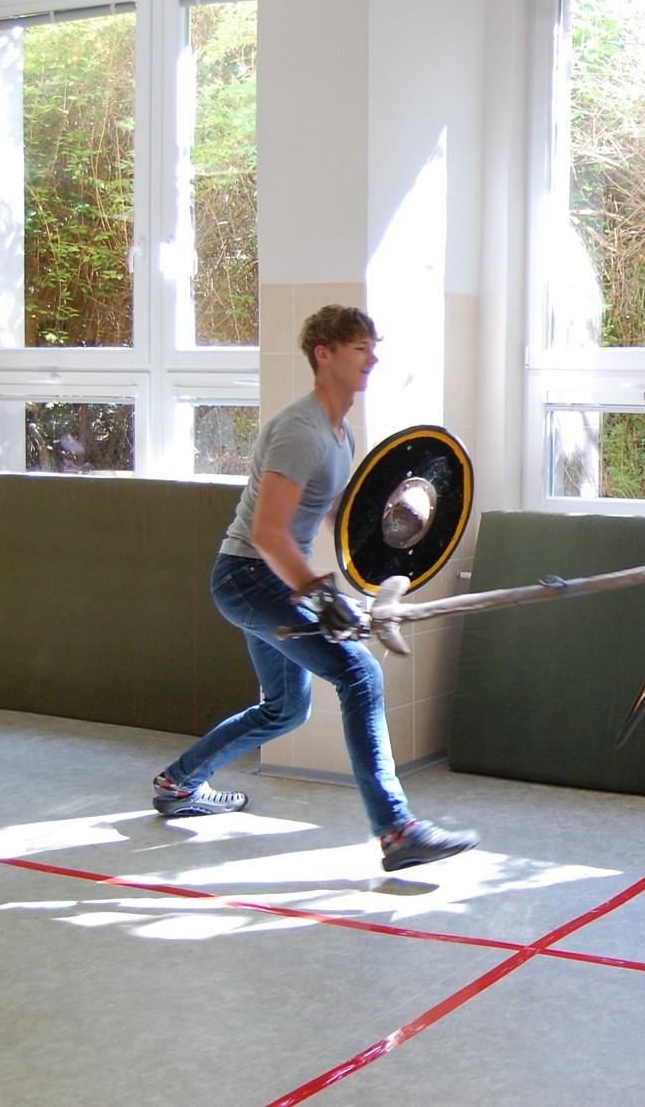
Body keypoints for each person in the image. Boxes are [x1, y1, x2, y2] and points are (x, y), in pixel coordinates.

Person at [151, 305, 478, 873]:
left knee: (284, 710)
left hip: (267, 578)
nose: (372, 359)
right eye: (360, 348)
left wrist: (385, 560)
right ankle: (397, 831)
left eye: (373, 347)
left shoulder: (338, 433)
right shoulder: (302, 432)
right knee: (360, 674)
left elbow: (336, 517)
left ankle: (178, 784)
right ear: (324, 354)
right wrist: (322, 599)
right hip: (250, 577)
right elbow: (267, 533)